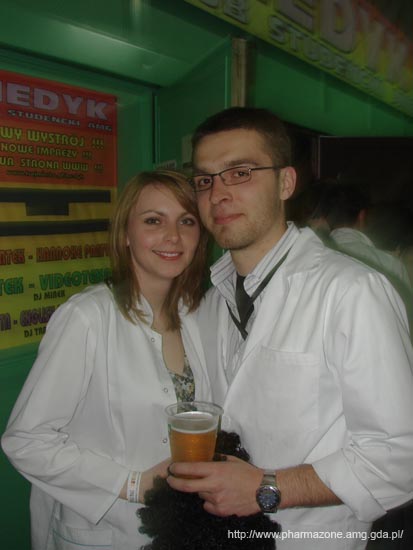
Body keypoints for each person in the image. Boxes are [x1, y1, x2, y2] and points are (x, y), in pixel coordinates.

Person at [166, 107, 413, 549]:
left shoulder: (351, 292)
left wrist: (267, 488)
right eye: (204, 180)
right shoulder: (211, 304)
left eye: (239, 173)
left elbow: (400, 457)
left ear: (285, 183)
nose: (217, 194)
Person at [1, 170, 211, 550]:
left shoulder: (198, 318)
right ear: (125, 234)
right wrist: (131, 484)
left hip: (181, 529)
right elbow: (26, 441)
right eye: (153, 221)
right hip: (108, 532)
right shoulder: (87, 317)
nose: (173, 236)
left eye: (186, 221)